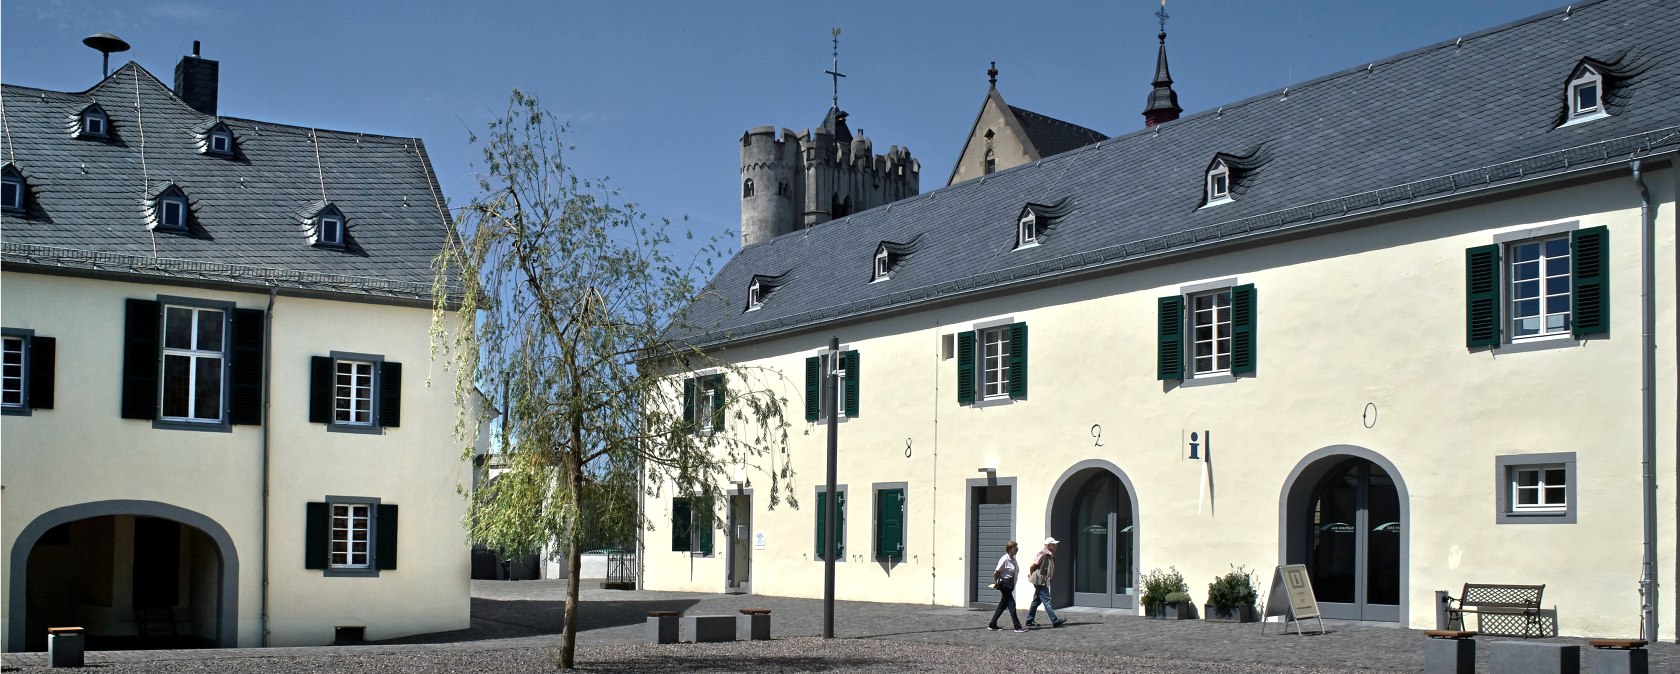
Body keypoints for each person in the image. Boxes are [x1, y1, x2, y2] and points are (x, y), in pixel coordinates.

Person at [1025, 536, 1067, 627]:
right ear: (1048, 545)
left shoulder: (1050, 554)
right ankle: (1054, 620)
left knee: (1036, 601)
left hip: (1042, 580)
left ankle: (1029, 620)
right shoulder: (1043, 554)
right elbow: (1033, 565)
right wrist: (1032, 574)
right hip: (1040, 581)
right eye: (1053, 544)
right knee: (1047, 600)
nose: (1055, 546)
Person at [988, 540, 1026, 632]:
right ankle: (1017, 626)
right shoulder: (1004, 559)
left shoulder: (1013, 559)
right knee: (1012, 604)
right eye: (1015, 548)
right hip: (1004, 585)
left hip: (1010, 584)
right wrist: (998, 583)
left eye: (1017, 548)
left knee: (1002, 605)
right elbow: (996, 573)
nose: (1017, 550)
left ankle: (992, 624)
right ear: (1009, 549)